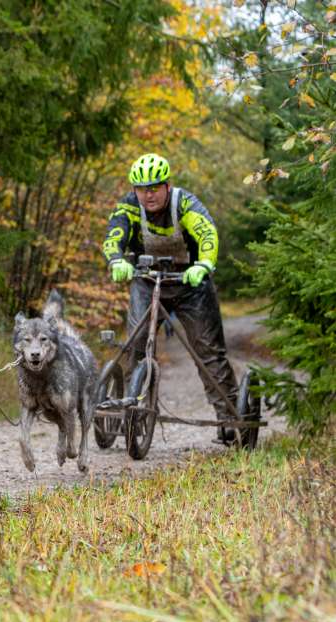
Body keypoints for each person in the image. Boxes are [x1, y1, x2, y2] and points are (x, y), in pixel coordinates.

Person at [102, 153, 238, 444]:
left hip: (191, 283)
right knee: (135, 347)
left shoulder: (185, 203)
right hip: (147, 281)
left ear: (166, 185)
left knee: (208, 352)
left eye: (154, 188)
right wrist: (116, 260)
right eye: (142, 189)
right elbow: (114, 235)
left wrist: (203, 264)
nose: (148, 195)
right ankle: (134, 413)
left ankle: (228, 417)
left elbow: (207, 234)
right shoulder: (128, 206)